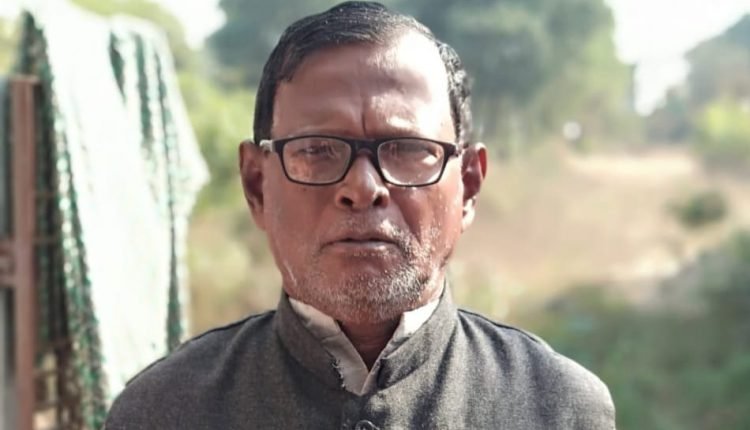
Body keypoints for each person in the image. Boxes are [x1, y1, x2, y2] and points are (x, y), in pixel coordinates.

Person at [105, 2, 615, 428]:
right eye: (317, 149)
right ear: (256, 185)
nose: (362, 188)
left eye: (408, 149)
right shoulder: (163, 410)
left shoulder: (558, 409)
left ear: (468, 186)